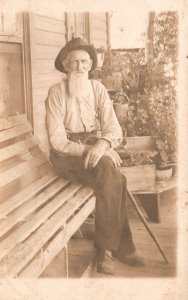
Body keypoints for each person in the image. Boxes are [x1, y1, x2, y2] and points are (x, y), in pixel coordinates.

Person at [46, 37, 143, 275]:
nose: (80, 67)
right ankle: (112, 249)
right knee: (112, 175)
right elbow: (57, 140)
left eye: (84, 62)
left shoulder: (98, 89)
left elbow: (113, 128)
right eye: (75, 62)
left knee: (113, 177)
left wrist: (103, 144)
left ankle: (109, 249)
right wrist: (92, 149)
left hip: (92, 149)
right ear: (65, 65)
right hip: (65, 158)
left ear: (90, 65)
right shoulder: (56, 93)